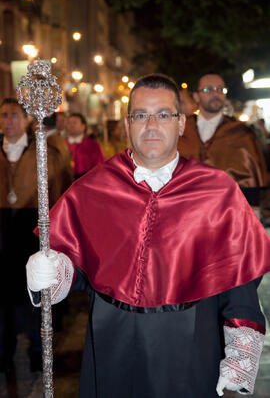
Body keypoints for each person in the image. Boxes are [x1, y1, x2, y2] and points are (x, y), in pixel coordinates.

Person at [26, 74, 270, 398]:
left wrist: (241, 353)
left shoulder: (217, 190)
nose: (151, 125)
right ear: (128, 124)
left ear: (181, 123)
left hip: (192, 341)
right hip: (111, 339)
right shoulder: (95, 186)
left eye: (163, 115)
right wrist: (52, 272)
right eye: (141, 115)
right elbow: (77, 266)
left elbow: (238, 277)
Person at [0, 98, 71, 372]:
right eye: (4, 115)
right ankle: (4, 354)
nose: (9, 121)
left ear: (27, 119)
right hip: (3, 232)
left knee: (32, 297)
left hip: (30, 232)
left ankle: (38, 351)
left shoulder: (43, 153)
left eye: (15, 115)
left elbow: (59, 193)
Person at [178, 73, 268, 210]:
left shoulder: (241, 133)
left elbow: (252, 181)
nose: (216, 93)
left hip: (231, 212)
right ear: (196, 96)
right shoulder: (181, 130)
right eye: (208, 89)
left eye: (220, 89)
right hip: (185, 210)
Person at [66, 113, 104, 179]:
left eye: (74, 123)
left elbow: (99, 166)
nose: (71, 125)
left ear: (83, 126)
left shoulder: (93, 145)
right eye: (69, 123)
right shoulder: (61, 143)